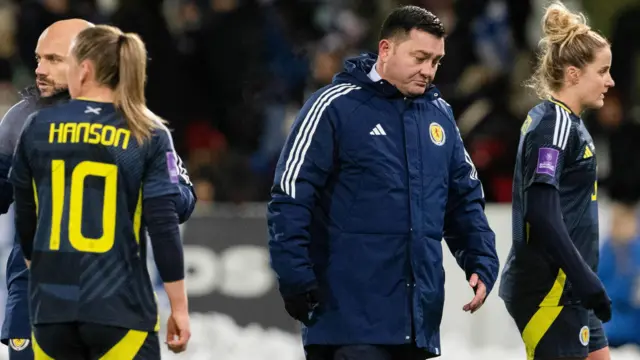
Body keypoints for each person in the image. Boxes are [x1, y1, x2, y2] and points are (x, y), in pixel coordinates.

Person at [267, 6, 499, 360]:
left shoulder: (440, 117)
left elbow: (463, 199)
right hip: (346, 322)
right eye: (419, 57)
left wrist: (481, 261)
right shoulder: (332, 107)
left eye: (435, 61)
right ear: (386, 50)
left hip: (416, 326)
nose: (428, 71)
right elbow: (290, 194)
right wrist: (295, 275)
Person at [0, 19, 196, 359]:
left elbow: (179, 204)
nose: (39, 70)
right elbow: (177, 205)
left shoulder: (28, 125)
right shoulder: (139, 127)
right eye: (38, 59)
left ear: (86, 63)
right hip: (109, 304)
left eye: (54, 60)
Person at [498, 2, 615, 360]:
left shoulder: (568, 124)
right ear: (574, 73)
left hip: (570, 288)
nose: (610, 80)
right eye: (603, 71)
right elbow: (542, 212)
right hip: (551, 289)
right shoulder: (554, 125)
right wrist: (586, 280)